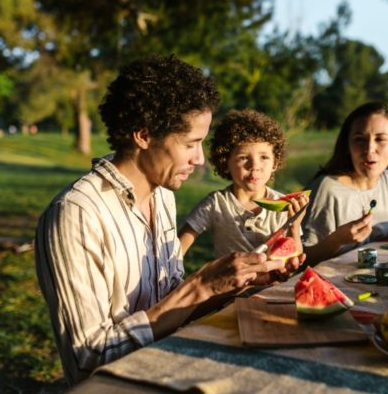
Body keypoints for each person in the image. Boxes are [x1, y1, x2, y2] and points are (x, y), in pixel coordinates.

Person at [34, 55, 304, 385]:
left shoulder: (163, 195)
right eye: (191, 143)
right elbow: (87, 360)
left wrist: (235, 284)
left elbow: (169, 309)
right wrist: (199, 287)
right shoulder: (75, 216)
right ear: (144, 136)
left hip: (170, 372)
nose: (201, 158)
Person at [302, 101, 388, 264]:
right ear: (347, 145)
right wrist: (337, 240)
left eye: (380, 139)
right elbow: (301, 260)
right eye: (359, 139)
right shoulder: (327, 189)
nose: (369, 149)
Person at [178, 109, 308, 258]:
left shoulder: (284, 206)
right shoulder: (215, 204)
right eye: (244, 157)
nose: (255, 166)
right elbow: (178, 248)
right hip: (228, 281)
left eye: (264, 157)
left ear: (275, 163)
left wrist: (295, 225)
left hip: (274, 281)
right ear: (225, 162)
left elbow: (295, 258)